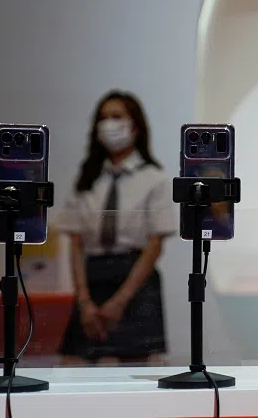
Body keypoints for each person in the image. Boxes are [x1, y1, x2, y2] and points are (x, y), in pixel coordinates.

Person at [58, 91, 175, 364]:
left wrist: (120, 301)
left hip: (135, 278)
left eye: (116, 117)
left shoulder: (154, 178)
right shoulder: (87, 178)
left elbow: (155, 244)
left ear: (135, 125)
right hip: (92, 277)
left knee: (137, 371)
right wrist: (84, 301)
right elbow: (75, 242)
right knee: (73, 365)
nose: (109, 124)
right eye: (103, 118)